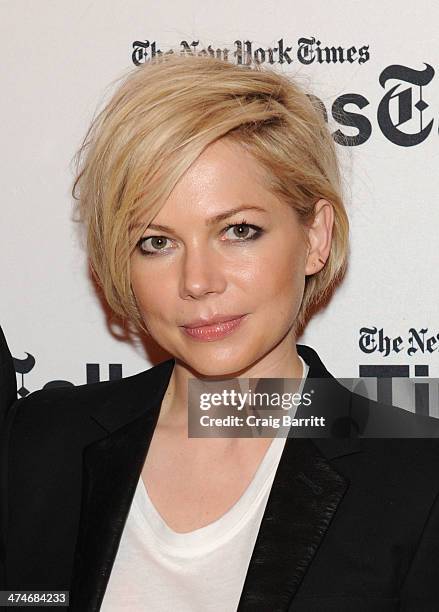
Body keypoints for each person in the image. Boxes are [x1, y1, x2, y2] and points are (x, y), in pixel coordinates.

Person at [1, 53, 439, 612]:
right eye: (156, 242)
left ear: (315, 238)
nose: (198, 282)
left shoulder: (416, 480)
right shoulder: (40, 441)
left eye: (238, 230)